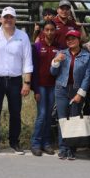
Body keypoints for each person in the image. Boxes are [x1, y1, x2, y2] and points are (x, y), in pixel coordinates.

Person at [0, 6, 33, 154]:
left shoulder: (22, 36)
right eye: (6, 17)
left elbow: (27, 61)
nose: (8, 20)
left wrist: (27, 82)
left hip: (15, 80)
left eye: (11, 17)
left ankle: (14, 142)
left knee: (16, 112)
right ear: (1, 19)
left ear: (15, 19)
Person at [51, 29, 90, 160]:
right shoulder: (61, 53)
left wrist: (81, 93)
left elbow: (87, 77)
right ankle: (63, 148)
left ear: (79, 40)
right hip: (61, 89)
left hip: (76, 90)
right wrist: (56, 61)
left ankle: (72, 148)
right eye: (68, 39)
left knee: (74, 118)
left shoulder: (87, 56)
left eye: (73, 38)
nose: (70, 41)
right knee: (62, 119)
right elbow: (52, 72)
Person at [30, 20, 59, 156]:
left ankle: (46, 143)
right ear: (43, 31)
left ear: (55, 31)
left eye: (52, 29)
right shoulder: (37, 46)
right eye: (46, 29)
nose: (49, 32)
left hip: (53, 85)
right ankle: (35, 143)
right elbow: (33, 69)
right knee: (41, 115)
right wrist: (35, 89)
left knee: (49, 115)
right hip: (40, 85)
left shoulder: (59, 47)